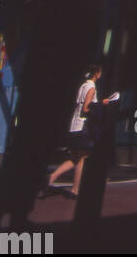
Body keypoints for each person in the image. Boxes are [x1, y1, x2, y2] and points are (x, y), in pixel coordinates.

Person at [45, 64, 107, 199]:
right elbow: (86, 109)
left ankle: (51, 177)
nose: (101, 74)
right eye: (100, 72)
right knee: (81, 158)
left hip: (74, 125)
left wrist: (101, 102)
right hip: (83, 127)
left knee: (75, 157)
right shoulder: (92, 88)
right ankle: (75, 190)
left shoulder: (83, 86)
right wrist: (100, 106)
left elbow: (79, 105)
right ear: (96, 73)